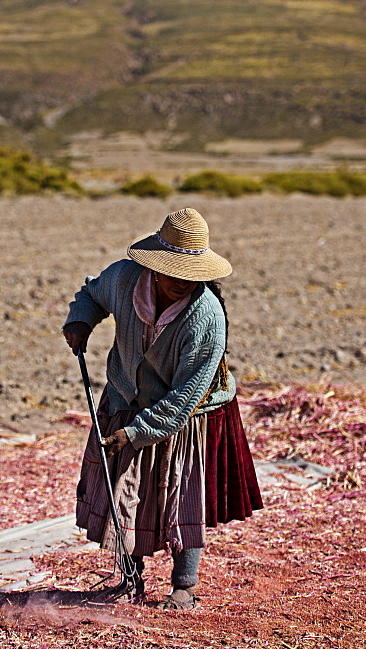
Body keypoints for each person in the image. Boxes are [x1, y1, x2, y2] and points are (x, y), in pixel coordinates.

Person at [62, 206, 263, 609]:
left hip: (187, 413)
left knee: (179, 493)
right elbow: (91, 293)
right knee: (126, 491)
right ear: (155, 266)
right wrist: (81, 321)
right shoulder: (124, 279)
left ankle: (184, 586)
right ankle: (130, 579)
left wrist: (136, 433)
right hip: (126, 395)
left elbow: (187, 395)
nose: (181, 283)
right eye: (173, 272)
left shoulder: (205, 318)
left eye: (191, 276)